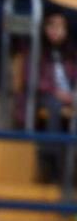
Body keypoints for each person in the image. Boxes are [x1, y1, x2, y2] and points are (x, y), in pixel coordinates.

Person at [18, 11, 77, 181]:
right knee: (54, 107)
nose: (55, 30)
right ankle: (52, 160)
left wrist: (72, 95)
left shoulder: (72, 52)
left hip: (70, 97)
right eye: (51, 25)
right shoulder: (35, 50)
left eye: (60, 27)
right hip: (44, 96)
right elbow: (32, 80)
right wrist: (56, 92)